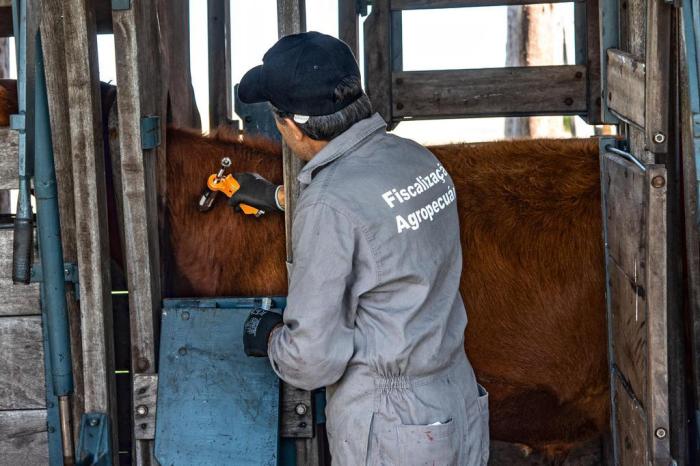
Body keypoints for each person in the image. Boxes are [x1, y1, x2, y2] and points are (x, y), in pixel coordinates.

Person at [233, 31, 489, 466]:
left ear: (290, 125)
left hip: (393, 427)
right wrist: (280, 198)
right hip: (457, 399)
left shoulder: (327, 203)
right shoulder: (418, 160)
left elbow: (313, 361)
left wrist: (272, 337)